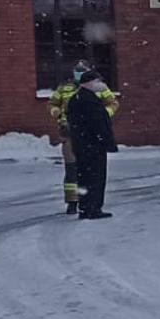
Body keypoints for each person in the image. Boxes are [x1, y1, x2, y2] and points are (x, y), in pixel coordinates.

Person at [65, 68, 119, 220]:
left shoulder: (76, 99)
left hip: (81, 144)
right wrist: (106, 141)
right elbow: (98, 123)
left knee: (83, 177)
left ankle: (84, 207)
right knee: (95, 177)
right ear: (88, 83)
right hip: (93, 146)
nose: (100, 84)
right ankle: (93, 208)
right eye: (97, 81)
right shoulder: (89, 100)